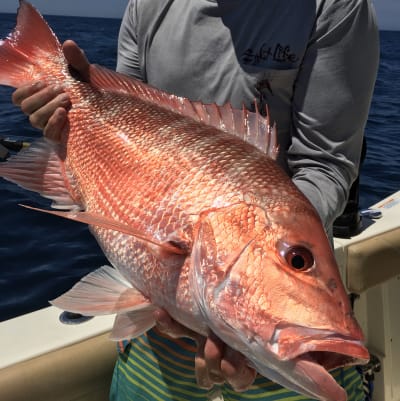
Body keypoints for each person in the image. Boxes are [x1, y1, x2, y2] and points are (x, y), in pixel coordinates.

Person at [12, 0, 379, 400]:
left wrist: (237, 314)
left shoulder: (334, 7)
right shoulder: (149, 4)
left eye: (297, 261)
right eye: (297, 261)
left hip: (273, 347)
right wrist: (67, 110)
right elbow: (120, 111)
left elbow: (324, 162)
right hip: (154, 333)